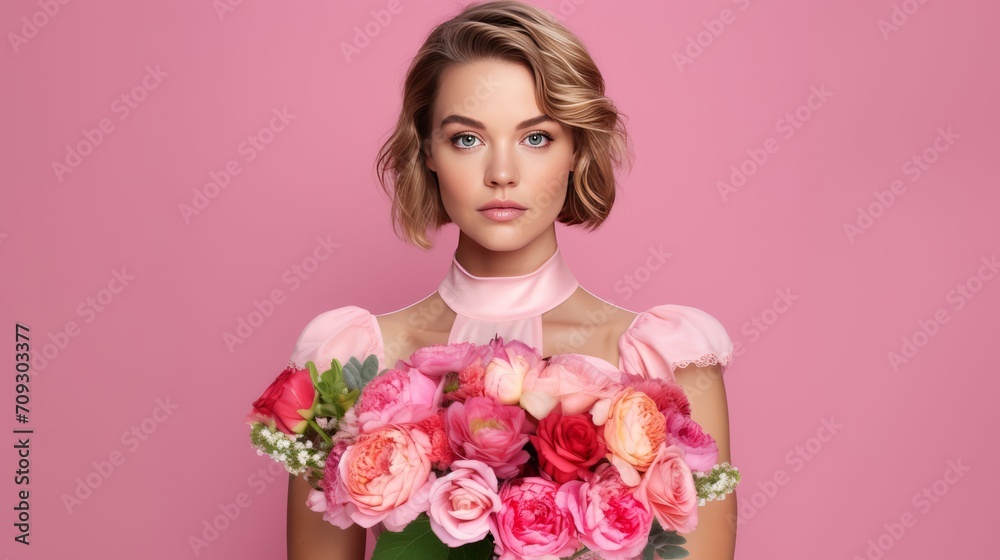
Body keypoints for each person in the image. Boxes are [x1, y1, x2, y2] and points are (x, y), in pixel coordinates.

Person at [285, 1, 737, 558]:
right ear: (427, 151)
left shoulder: (662, 358)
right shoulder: (354, 358)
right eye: (467, 139)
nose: (501, 173)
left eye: (537, 137)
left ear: (576, 149)